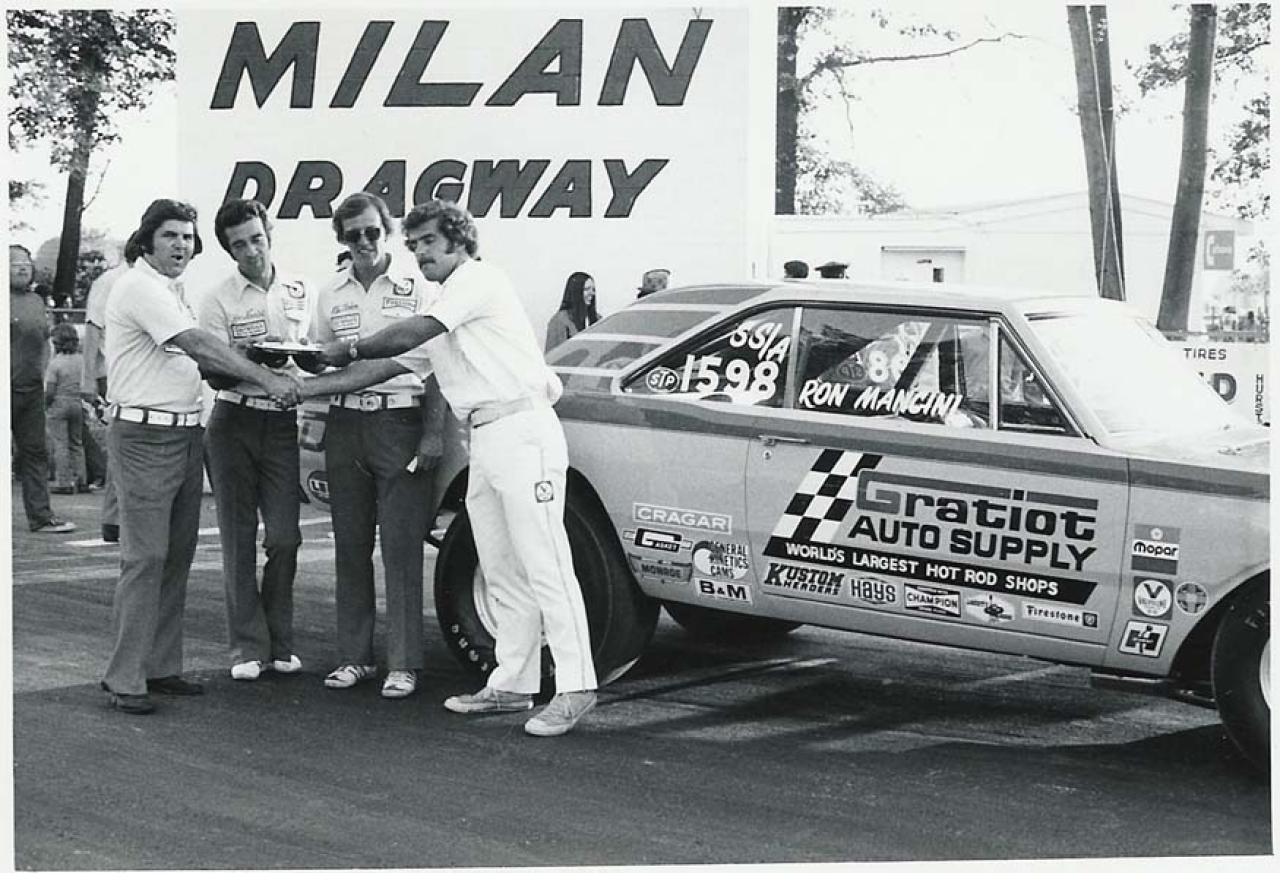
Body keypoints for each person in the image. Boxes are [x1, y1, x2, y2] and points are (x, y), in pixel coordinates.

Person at [314, 199, 598, 737]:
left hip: (524, 429)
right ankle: (512, 684)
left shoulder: (478, 281)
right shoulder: (444, 304)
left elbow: (402, 337)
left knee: (546, 562)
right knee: (500, 566)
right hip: (485, 438)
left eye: (429, 242)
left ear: (460, 240)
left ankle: (577, 685)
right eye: (414, 245)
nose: (420, 253)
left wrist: (346, 348)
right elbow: (385, 366)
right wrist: (299, 388)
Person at [99, 198, 300, 715]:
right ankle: (124, 677)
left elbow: (206, 362)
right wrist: (266, 379)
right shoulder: (140, 288)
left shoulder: (174, 291)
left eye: (188, 237)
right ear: (146, 240)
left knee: (175, 555)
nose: (181, 245)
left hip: (186, 431)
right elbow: (198, 345)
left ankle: (160, 666)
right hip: (144, 434)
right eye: (170, 235)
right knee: (145, 557)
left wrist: (256, 359)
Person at [305, 192, 445, 700]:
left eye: (371, 231)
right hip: (346, 422)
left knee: (401, 548)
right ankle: (354, 656)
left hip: (400, 420)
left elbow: (437, 363)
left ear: (386, 231)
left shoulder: (417, 286)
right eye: (353, 235)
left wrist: (433, 432)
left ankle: (403, 663)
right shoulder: (330, 293)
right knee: (350, 544)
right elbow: (322, 357)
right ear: (342, 239)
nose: (363, 242)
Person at [199, 199, 314, 682]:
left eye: (256, 239)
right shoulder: (217, 298)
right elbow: (211, 371)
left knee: (285, 537)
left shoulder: (300, 290)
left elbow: (312, 356)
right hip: (234, 420)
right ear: (229, 250)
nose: (251, 251)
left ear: (269, 234)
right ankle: (248, 645)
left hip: (282, 423)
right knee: (238, 537)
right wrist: (247, 359)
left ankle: (280, 640)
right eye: (239, 244)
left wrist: (303, 360)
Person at [9, 244, 76, 534]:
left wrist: (44, 374)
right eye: (14, 263)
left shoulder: (37, 301)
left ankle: (41, 516)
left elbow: (45, 341)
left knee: (36, 452)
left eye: (26, 262)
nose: (23, 267)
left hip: (31, 390)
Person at [82, 250, 137, 542]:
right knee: (123, 445)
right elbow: (93, 328)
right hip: (112, 373)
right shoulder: (111, 281)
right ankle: (114, 518)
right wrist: (87, 378)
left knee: (126, 448)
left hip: (130, 372)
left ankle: (115, 519)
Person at [45, 323, 88, 494]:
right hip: (76, 402)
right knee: (77, 443)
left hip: (59, 403)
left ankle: (63, 482)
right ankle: (82, 480)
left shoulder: (55, 364)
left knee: (60, 444)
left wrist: (46, 405)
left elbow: (50, 391)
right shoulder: (81, 361)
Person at [545, 271, 599, 352]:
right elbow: (553, 355)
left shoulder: (598, 319)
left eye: (593, 289)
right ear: (575, 292)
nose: (592, 293)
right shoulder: (559, 321)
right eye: (587, 289)